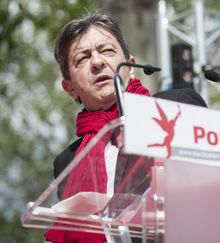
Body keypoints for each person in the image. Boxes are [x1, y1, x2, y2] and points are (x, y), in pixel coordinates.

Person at [44, 12, 207, 243]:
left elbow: (205, 192)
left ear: (131, 66)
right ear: (70, 88)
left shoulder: (175, 106)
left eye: (107, 51)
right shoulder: (67, 161)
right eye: (83, 58)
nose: (98, 62)